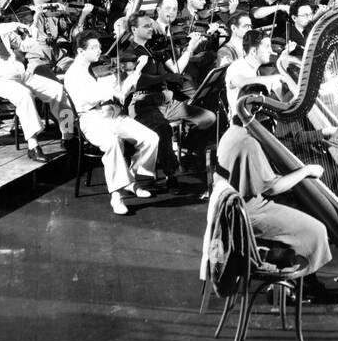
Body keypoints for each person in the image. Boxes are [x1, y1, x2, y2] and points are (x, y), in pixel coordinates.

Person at [216, 83, 334, 276]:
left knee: (299, 207)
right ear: (255, 111)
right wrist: (305, 171)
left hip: (235, 208)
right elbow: (273, 188)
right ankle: (294, 276)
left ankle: (293, 267)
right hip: (248, 213)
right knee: (317, 229)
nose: (272, 118)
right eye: (269, 110)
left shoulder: (234, 132)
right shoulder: (248, 142)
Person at [64, 31, 160, 214]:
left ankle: (130, 178)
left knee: (151, 138)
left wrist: (136, 72)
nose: (99, 51)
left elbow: (121, 92)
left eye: (99, 46)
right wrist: (108, 89)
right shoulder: (73, 74)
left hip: (112, 114)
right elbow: (86, 99)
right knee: (113, 143)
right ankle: (117, 196)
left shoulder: (100, 69)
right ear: (80, 51)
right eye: (94, 48)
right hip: (90, 119)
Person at [0, 0, 66, 162]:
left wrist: (33, 26)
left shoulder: (4, 29)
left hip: (21, 73)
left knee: (58, 89)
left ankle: (67, 133)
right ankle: (33, 145)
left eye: (0, 9)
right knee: (24, 95)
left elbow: (25, 46)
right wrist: (14, 24)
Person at [125, 11, 217, 184]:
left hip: (166, 100)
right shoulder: (129, 53)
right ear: (134, 29)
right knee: (163, 129)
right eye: (146, 26)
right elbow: (135, 82)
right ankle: (171, 172)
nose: (151, 28)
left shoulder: (155, 46)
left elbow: (175, 70)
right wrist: (163, 78)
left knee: (209, 118)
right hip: (144, 103)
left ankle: (184, 148)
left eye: (151, 25)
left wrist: (190, 48)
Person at [224, 30, 297, 118]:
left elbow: (283, 101)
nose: (271, 51)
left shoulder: (262, 70)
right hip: (243, 123)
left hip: (262, 119)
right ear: (254, 51)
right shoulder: (236, 67)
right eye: (267, 47)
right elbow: (243, 83)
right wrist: (277, 77)